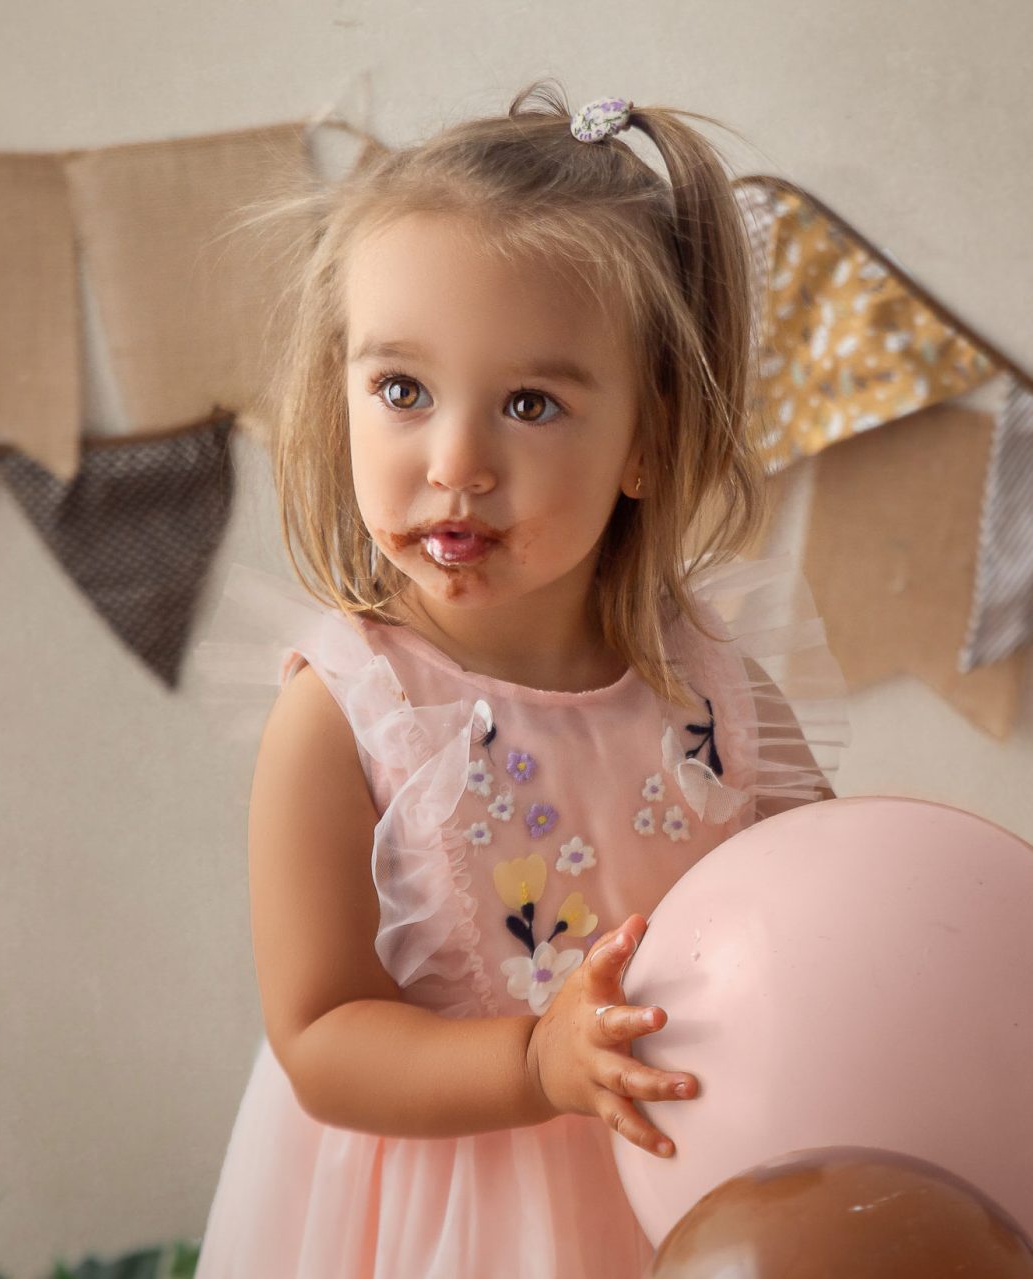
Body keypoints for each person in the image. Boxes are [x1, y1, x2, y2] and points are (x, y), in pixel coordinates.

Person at [192, 80, 849, 1277]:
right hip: (441, 1219)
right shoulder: (346, 715)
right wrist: (535, 1064)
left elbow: (823, 925)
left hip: (678, 1177)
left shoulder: (719, 696)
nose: (455, 462)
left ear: (646, 439)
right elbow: (322, 1036)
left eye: (530, 404)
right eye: (401, 390)